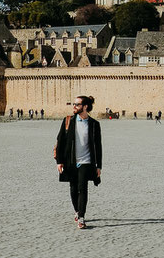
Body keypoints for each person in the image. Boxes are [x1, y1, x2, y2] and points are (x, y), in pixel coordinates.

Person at [55, 95, 102, 229]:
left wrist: (99, 166)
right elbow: (60, 142)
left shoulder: (94, 124)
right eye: (74, 104)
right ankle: (77, 210)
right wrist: (59, 161)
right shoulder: (68, 121)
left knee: (83, 189)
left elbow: (98, 146)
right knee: (73, 189)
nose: (74, 106)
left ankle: (81, 217)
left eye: (77, 104)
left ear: (85, 107)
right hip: (70, 161)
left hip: (86, 162)